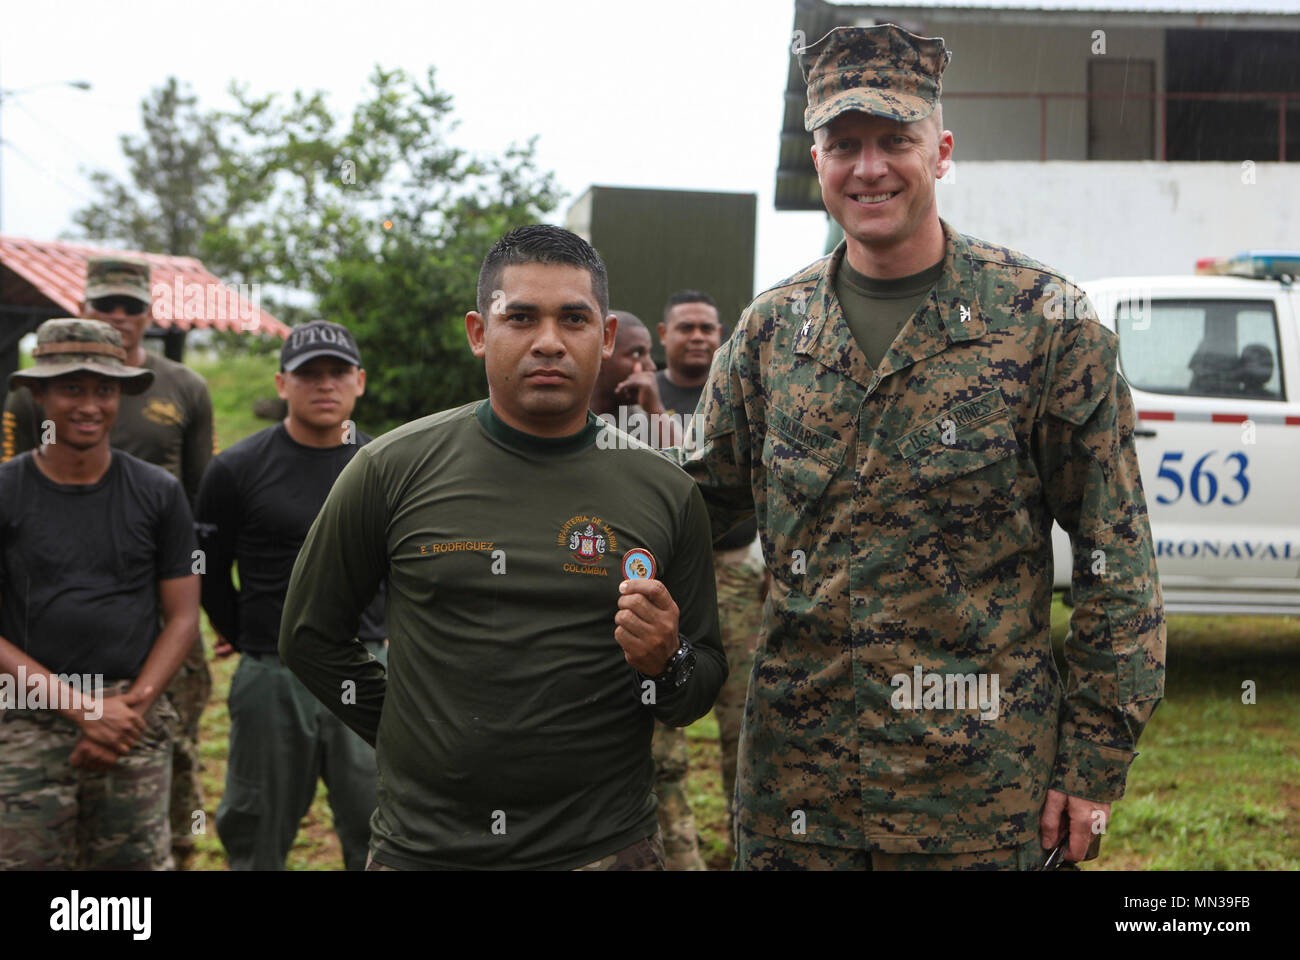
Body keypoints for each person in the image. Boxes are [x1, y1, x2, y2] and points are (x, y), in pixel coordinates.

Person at [675, 24, 1166, 870]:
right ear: (819, 159)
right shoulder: (767, 336)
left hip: (978, 800)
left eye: (894, 140)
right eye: (844, 144)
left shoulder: (1045, 324)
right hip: (799, 801)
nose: (869, 168)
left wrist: (1093, 767)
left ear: (940, 151)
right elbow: (693, 513)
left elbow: (1116, 559)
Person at [278, 224, 725, 870]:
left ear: (604, 338)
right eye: (520, 317)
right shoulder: (390, 469)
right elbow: (310, 636)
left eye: (573, 318)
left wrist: (666, 660)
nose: (548, 342)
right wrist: (413, 740)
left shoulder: (666, 493)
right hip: (427, 850)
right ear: (479, 332)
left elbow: (699, 684)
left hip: (603, 849)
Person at [2, 256, 216, 869]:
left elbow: (181, 616)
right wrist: (78, 708)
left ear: (122, 393)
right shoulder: (8, 491)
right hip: (25, 712)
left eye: (103, 388)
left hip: (132, 709)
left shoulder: (156, 492)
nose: (88, 405)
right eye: (71, 387)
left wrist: (133, 707)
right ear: (38, 394)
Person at [195, 320, 387, 870]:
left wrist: (387, 634)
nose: (324, 385)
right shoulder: (235, 468)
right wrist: (249, 635)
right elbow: (210, 571)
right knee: (257, 824)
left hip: (367, 668)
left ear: (360, 381)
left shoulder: (387, 465)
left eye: (337, 372)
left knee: (379, 825)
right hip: (273, 674)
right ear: (282, 384)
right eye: (309, 375)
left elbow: (407, 565)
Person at [589, 309, 703, 871]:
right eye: (632, 355)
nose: (643, 367)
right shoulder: (575, 427)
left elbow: (694, 488)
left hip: (646, 647)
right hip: (583, 661)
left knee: (668, 779)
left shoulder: (643, 429)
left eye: (646, 356)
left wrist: (653, 409)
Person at [655, 290, 764, 866]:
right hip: (666, 578)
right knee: (663, 724)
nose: (697, 337)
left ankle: (742, 843)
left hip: (735, 573)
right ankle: (678, 852)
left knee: (741, 718)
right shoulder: (640, 393)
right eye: (686, 328)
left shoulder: (738, 390)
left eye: (707, 328)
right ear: (663, 333)